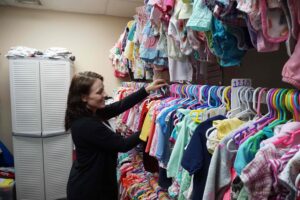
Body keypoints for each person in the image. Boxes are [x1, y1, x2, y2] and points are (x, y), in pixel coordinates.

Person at [65, 71, 167, 200]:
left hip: (94, 181)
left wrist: (146, 90)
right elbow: (123, 145)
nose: (105, 95)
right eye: (99, 92)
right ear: (84, 97)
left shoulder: (90, 112)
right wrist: (150, 126)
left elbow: (118, 106)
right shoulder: (86, 124)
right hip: (89, 188)